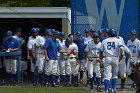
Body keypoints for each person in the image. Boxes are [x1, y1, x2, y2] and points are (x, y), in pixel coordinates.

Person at [100, 28, 124, 93]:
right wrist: (121, 55)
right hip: (115, 58)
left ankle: (107, 89)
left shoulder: (104, 40)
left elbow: (101, 51)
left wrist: (101, 58)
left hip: (107, 58)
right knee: (114, 75)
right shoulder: (118, 40)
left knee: (107, 76)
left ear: (109, 33)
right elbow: (121, 48)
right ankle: (113, 89)